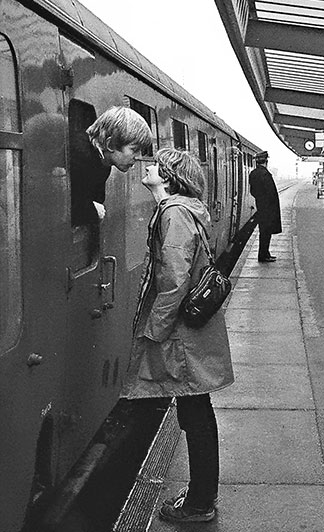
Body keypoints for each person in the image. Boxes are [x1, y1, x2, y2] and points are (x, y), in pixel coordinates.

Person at [121, 148, 234, 523]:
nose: (148, 166)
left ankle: (200, 503)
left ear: (168, 177)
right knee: (195, 411)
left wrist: (154, 331)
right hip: (189, 332)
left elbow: (174, 280)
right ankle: (202, 495)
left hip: (184, 335)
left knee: (195, 413)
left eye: (156, 165)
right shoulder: (182, 210)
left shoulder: (173, 214)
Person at [76, 106, 152, 224]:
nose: (139, 157)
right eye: (134, 149)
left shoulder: (104, 163)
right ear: (110, 144)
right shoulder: (77, 156)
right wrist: (91, 210)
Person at [249, 151, 282, 262]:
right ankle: (263, 255)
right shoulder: (265, 174)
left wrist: (260, 199)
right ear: (266, 161)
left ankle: (265, 253)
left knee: (264, 231)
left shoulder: (253, 174)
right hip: (268, 208)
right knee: (266, 232)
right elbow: (270, 193)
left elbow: (253, 191)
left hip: (261, 206)